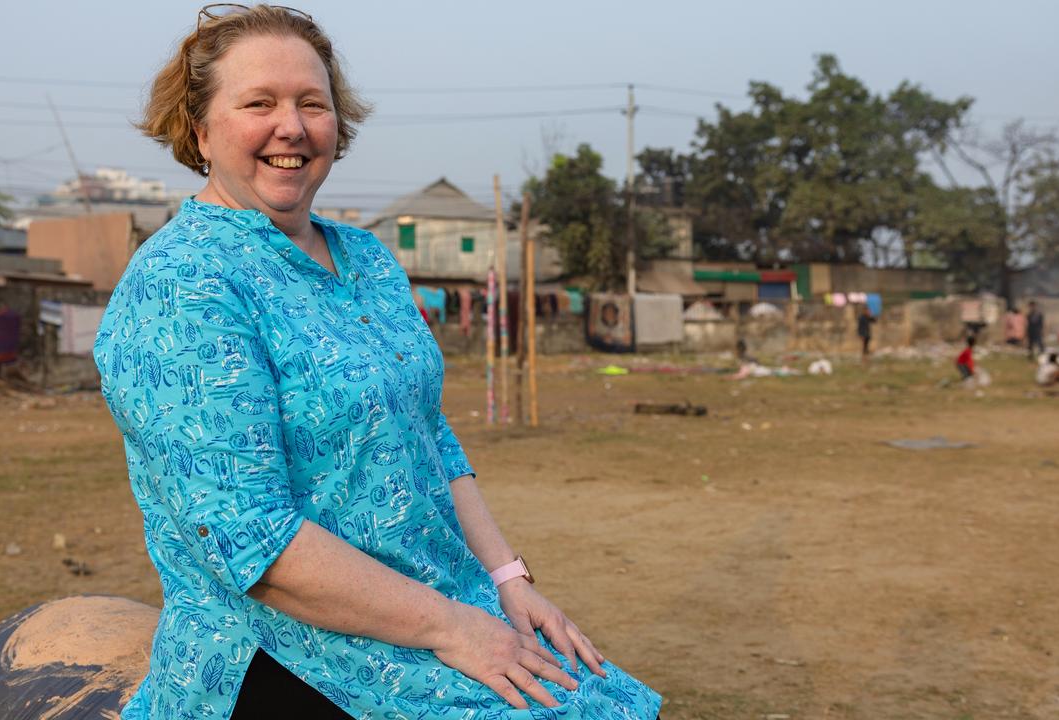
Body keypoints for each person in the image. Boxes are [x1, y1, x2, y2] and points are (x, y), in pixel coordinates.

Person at [92, 6, 660, 719]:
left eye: (312, 104)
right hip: (286, 646)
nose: (291, 127)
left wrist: (509, 579)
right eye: (259, 103)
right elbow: (254, 546)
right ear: (200, 128)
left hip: (437, 608)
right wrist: (456, 630)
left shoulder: (367, 258)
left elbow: (429, 435)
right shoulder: (182, 284)